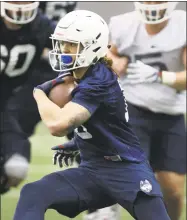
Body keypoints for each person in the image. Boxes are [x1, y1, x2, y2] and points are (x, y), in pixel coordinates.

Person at [13, 10, 170, 220]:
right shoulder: (79, 74)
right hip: (93, 169)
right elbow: (103, 121)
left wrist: (38, 93)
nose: (62, 50)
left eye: (71, 44)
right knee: (33, 193)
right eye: (61, 43)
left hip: (126, 171)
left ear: (91, 46)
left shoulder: (99, 81)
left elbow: (57, 125)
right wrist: (78, 142)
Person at [108, 2, 186, 220]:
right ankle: (105, 206)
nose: (152, 4)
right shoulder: (124, 24)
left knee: (173, 191)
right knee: (140, 182)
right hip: (133, 108)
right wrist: (114, 61)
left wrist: (159, 76)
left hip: (171, 113)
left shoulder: (182, 24)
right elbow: (107, 56)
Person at [0, 1, 57, 194]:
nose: (19, 7)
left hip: (7, 99)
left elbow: (72, 45)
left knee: (15, 168)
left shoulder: (41, 25)